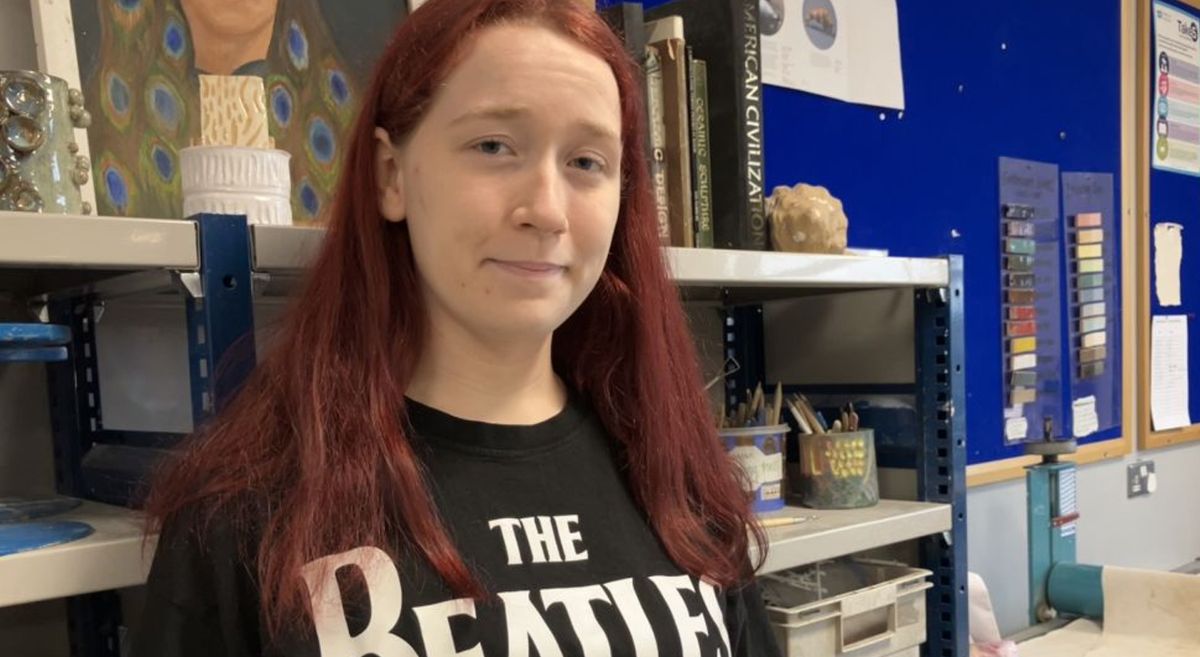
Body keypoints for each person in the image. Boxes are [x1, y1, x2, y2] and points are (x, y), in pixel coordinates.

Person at [129, 0, 781, 655]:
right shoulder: (244, 510)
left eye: (587, 162)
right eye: (493, 146)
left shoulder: (678, 481)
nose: (546, 210)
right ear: (391, 176)